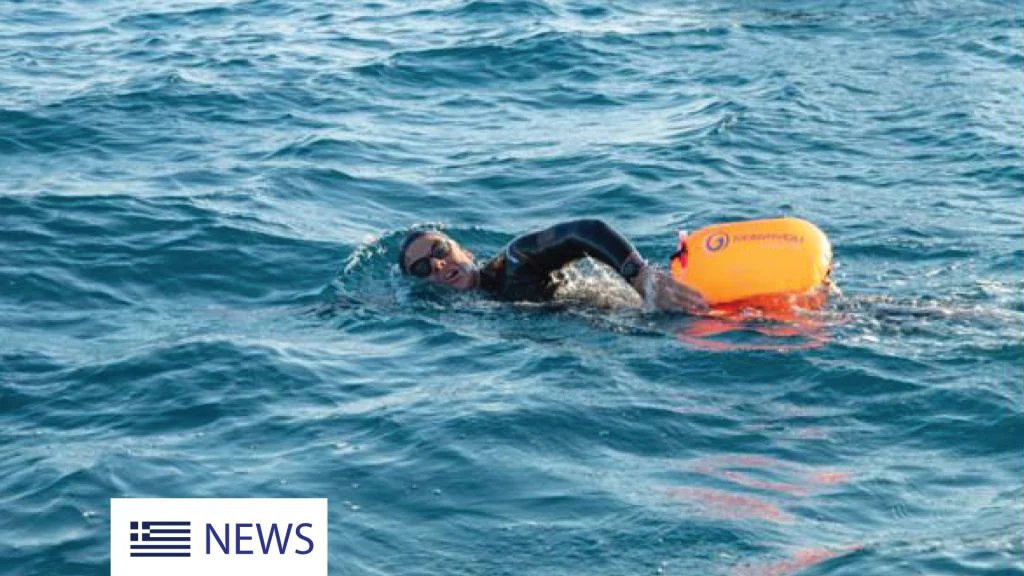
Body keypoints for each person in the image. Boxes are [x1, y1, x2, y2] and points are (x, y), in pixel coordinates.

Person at [397, 219, 709, 314]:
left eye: (440, 251)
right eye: (423, 268)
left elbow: (583, 231)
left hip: (644, 310)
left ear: (464, 252)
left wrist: (639, 276)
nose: (437, 264)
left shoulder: (514, 263)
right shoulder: (448, 314)